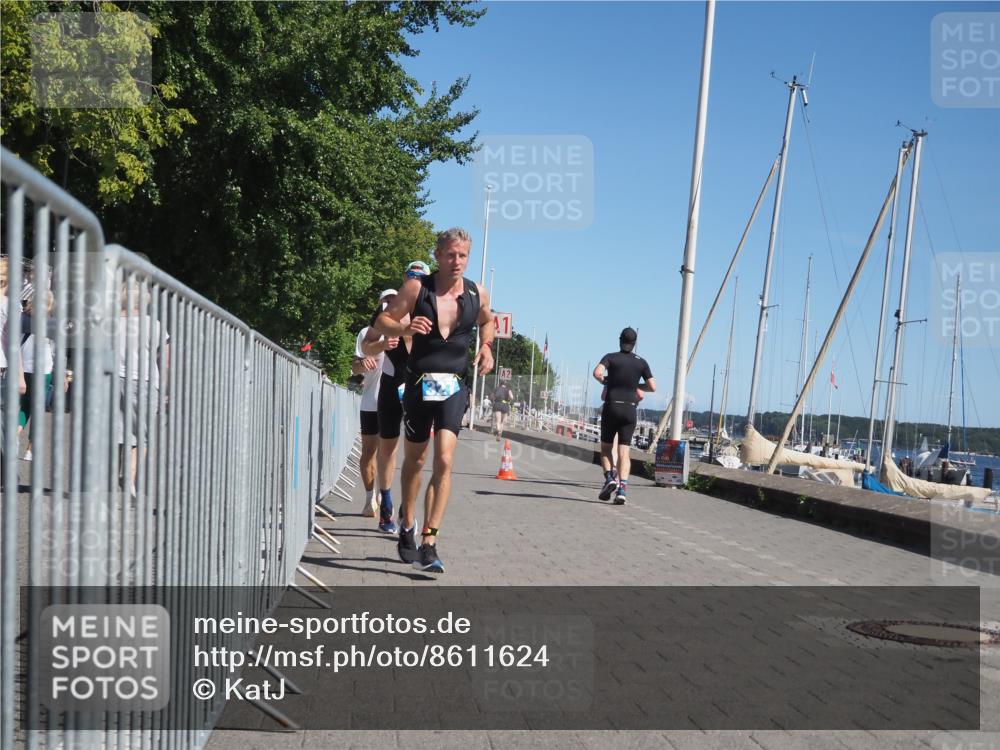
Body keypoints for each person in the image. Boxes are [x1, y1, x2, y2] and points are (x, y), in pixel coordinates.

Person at [376, 228, 494, 573]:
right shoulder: (418, 288)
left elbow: (487, 321)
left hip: (454, 386)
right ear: (438, 255)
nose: (457, 261)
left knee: (444, 458)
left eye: (463, 255)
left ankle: (429, 540)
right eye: (450, 255)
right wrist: (404, 329)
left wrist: (487, 346)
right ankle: (407, 522)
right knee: (414, 461)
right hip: (418, 383)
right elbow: (384, 319)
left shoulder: (476, 292)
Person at [359, 261, 429, 533]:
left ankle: (407, 510)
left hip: (419, 385)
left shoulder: (432, 309)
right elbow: (366, 346)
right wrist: (382, 344)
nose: (416, 280)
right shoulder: (390, 311)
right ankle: (386, 504)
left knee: (417, 453)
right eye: (412, 275)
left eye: (421, 277)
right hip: (390, 383)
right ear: (404, 277)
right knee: (388, 449)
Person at [592, 327, 655, 505]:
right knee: (624, 452)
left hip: (612, 407)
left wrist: (606, 380)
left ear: (620, 341)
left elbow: (597, 373)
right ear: (634, 344)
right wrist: (635, 385)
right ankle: (622, 490)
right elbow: (652, 387)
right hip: (630, 409)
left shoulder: (610, 357)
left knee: (606, 449)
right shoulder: (642, 362)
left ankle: (609, 478)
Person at [351, 288, 396, 523]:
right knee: (368, 452)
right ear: (379, 304)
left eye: (394, 300)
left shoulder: (404, 332)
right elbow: (355, 367)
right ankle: (370, 499)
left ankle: (384, 495)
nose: (390, 303)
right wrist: (362, 362)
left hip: (394, 403)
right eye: (386, 300)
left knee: (387, 454)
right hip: (370, 401)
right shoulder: (366, 333)